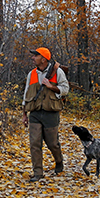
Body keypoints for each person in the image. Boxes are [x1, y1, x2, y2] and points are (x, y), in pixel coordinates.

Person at [22, 47, 69, 182]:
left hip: (51, 113)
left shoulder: (57, 72)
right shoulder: (31, 74)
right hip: (35, 113)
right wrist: (24, 114)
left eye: (35, 55)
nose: (33, 58)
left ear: (43, 58)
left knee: (53, 143)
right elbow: (26, 94)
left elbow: (65, 89)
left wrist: (51, 86)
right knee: (34, 143)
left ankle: (59, 161)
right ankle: (38, 173)